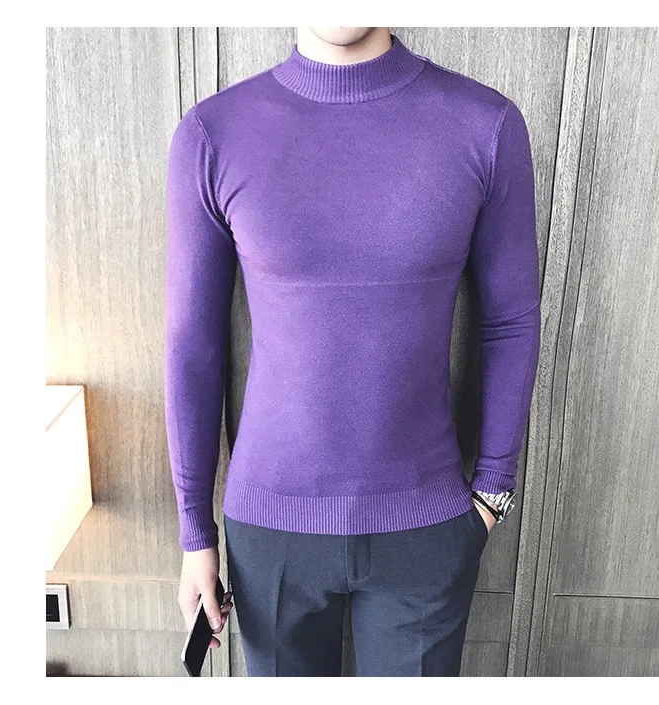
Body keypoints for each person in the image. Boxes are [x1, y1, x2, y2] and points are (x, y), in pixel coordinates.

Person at [165, 26, 541, 677]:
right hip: (271, 533)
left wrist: (492, 495)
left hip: (427, 531)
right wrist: (195, 534)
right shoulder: (212, 134)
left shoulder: (486, 126)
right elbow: (192, 344)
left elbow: (511, 319)